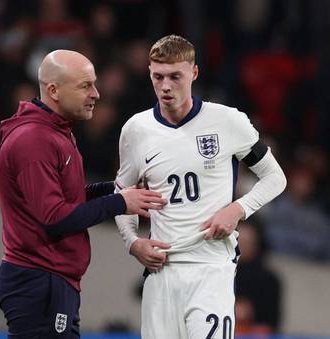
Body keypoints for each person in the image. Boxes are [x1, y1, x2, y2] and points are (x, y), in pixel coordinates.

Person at [114, 35, 287, 339]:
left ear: (194, 73)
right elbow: (122, 196)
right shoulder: (136, 130)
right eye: (158, 77)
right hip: (160, 272)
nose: (166, 86)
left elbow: (275, 177)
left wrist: (238, 208)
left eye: (175, 76)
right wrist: (132, 242)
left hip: (210, 267)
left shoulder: (227, 121)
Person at [0, 49, 166, 339]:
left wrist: (114, 189)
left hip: (49, 280)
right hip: (39, 280)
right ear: (54, 90)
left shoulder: (54, 132)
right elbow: (54, 218)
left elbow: (66, 199)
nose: (96, 94)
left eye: (94, 83)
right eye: (85, 85)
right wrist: (119, 202)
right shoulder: (35, 140)